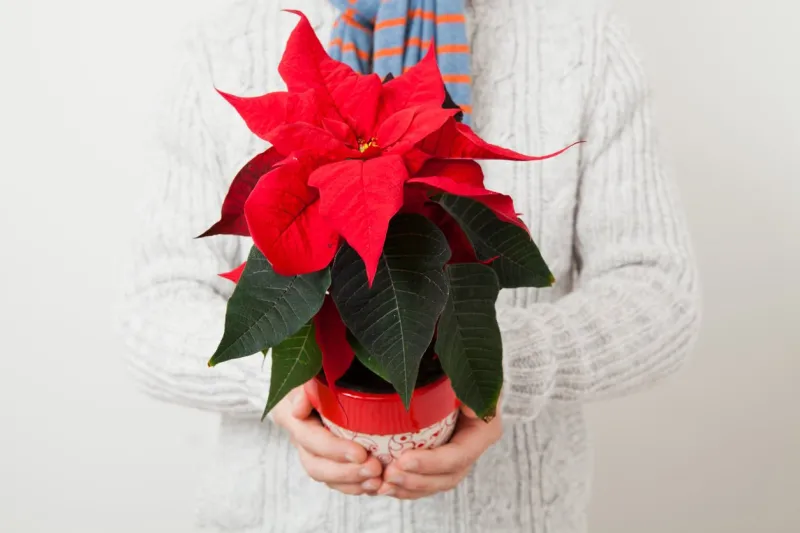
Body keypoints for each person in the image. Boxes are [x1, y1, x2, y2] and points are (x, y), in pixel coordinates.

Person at [120, 0, 702, 531]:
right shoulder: (221, 44)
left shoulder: (584, 44)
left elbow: (660, 295)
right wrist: (285, 386)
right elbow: (152, 311)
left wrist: (490, 371)